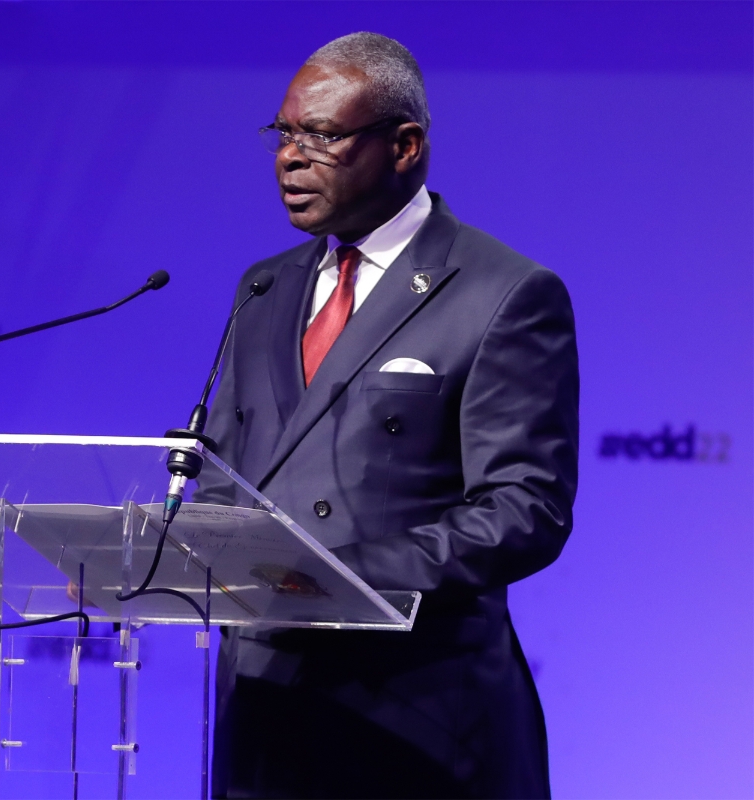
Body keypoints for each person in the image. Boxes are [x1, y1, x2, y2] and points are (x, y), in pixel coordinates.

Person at [202, 33, 578, 799]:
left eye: (322, 136)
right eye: (284, 134)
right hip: (267, 716)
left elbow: (523, 510)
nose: (290, 157)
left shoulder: (503, 293)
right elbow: (221, 474)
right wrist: (163, 554)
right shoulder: (263, 289)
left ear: (405, 146)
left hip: (417, 719)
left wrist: (339, 578)